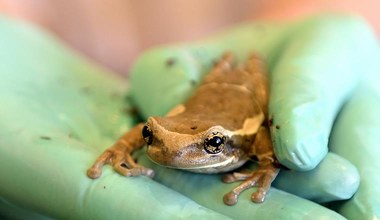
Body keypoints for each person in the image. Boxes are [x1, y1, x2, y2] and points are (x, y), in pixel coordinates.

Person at [0, 1, 379, 219]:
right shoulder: (169, 140)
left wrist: (267, 163)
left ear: (224, 145)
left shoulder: (240, 141)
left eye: (209, 145)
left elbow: (264, 136)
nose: (173, 152)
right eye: (154, 137)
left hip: (243, 80)